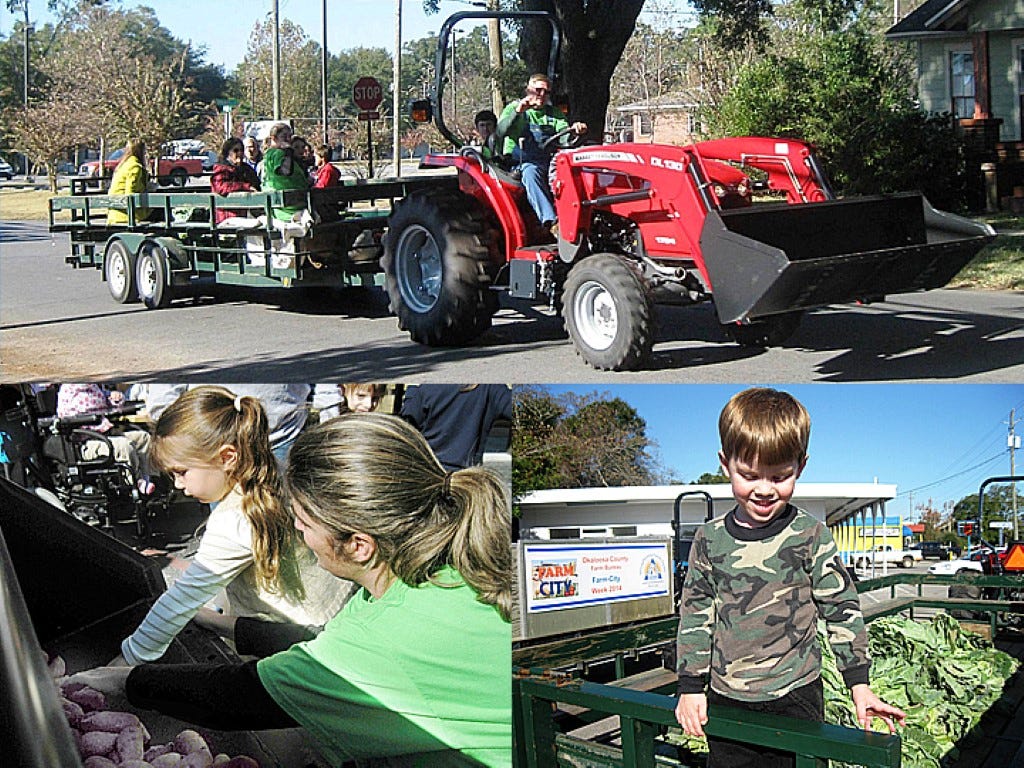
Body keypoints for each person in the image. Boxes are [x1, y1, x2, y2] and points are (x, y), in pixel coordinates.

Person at [69, 413, 513, 767]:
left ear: (360, 545)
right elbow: (319, 644)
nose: (295, 528)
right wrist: (222, 624)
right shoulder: (439, 569)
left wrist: (118, 678)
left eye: (304, 520)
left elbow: (236, 697)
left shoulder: (380, 646)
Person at [674, 388, 906, 767]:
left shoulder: (810, 535)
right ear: (725, 463)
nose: (764, 489)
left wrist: (859, 685)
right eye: (749, 475)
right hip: (727, 699)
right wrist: (690, 688)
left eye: (780, 476)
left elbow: (841, 609)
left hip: (795, 697)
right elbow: (696, 616)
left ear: (801, 466)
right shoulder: (709, 539)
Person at [118, 385, 350, 666]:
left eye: (181, 472)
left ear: (227, 457)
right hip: (332, 613)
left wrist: (127, 659)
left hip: (293, 643)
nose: (179, 485)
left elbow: (179, 602)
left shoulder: (233, 519)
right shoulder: (273, 472)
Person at [496, 73, 587, 235]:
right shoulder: (514, 109)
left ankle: (582, 217)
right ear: (528, 90)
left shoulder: (554, 114)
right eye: (538, 90)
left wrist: (575, 130)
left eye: (546, 92)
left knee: (574, 172)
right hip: (520, 162)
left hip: (548, 160)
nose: (542, 95)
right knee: (531, 172)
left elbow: (565, 136)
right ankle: (551, 222)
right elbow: (500, 131)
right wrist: (517, 112)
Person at [140, 384, 311, 468]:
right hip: (210, 442)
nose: (177, 485)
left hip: (285, 433)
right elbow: (163, 395)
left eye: (182, 473)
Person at [56, 383, 153, 494]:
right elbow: (65, 418)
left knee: (143, 438)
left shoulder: (93, 386)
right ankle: (136, 481)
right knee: (124, 446)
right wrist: (94, 420)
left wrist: (114, 398)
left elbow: (106, 400)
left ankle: (149, 476)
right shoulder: (69, 391)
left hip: (103, 435)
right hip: (85, 443)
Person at [401, 384, 511, 471]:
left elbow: (406, 423)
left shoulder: (427, 388)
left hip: (428, 472)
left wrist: (412, 390)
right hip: (468, 477)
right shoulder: (490, 388)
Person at [262, 122, 309, 222]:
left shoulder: (268, 155)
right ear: (274, 138)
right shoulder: (278, 153)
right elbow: (285, 171)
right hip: (289, 208)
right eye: (284, 136)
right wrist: (288, 152)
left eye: (289, 136)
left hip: (282, 205)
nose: (288, 139)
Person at [210, 137, 261, 224]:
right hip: (227, 216)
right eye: (236, 150)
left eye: (241, 150)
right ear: (228, 153)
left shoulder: (246, 168)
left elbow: (256, 184)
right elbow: (220, 187)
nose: (239, 153)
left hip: (246, 212)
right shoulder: (221, 168)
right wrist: (245, 186)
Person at [106, 137, 153, 225]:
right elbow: (131, 193)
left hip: (116, 211)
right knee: (162, 209)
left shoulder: (123, 165)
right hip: (127, 214)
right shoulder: (134, 167)